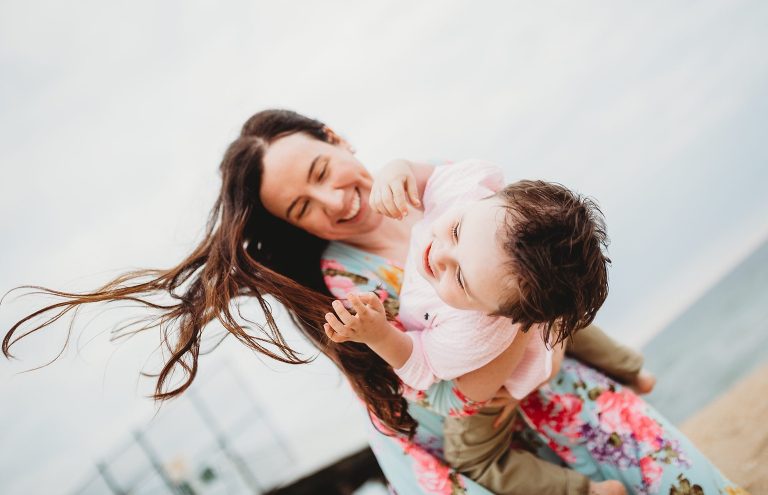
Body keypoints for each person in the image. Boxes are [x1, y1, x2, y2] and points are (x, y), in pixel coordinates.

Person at [3, 110, 746, 494]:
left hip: (567, 383)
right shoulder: (342, 280)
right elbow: (431, 386)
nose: (334, 198)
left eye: (326, 167)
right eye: (303, 206)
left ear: (337, 137)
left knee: (683, 476)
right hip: (495, 420)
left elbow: (514, 229)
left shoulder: (424, 189)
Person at [322, 158, 646, 495]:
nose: (440, 255)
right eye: (457, 231)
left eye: (459, 277)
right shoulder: (468, 194)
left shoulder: (470, 331)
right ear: (487, 198)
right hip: (543, 322)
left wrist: (380, 335)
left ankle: (588, 491)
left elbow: (421, 366)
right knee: (569, 313)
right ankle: (633, 369)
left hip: (512, 369)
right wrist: (398, 170)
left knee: (473, 458)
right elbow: (432, 178)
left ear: (491, 313)